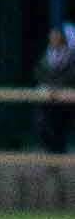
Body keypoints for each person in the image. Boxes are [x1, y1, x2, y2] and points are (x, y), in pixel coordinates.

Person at [39, 20, 75, 157]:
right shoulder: (47, 55)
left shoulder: (70, 57)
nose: (53, 38)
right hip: (47, 97)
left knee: (61, 127)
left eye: (56, 36)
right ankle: (51, 154)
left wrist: (57, 86)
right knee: (43, 125)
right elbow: (39, 72)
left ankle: (58, 157)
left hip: (64, 97)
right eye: (52, 35)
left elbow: (71, 75)